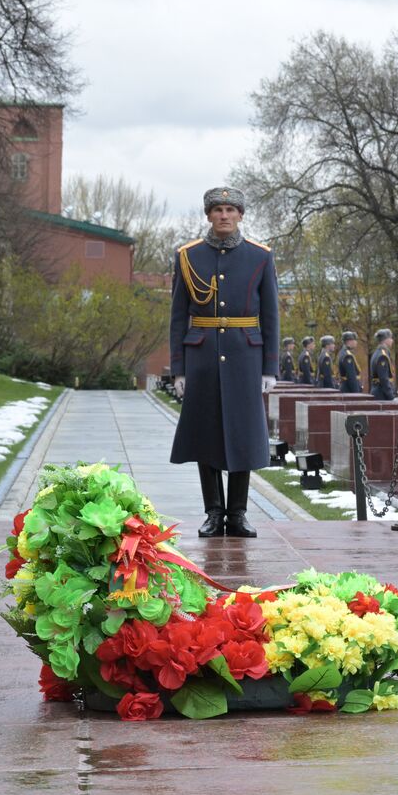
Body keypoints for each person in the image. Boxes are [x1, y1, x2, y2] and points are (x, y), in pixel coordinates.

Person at [168, 185, 279, 539]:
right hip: (201, 358)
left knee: (244, 435)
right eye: (218, 210)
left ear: (241, 215)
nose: (224, 216)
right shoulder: (188, 256)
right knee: (207, 435)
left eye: (231, 210)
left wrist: (269, 368)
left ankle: (239, 513)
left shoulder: (260, 256)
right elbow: (177, 317)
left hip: (246, 356)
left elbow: (271, 315)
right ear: (209, 215)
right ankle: (214, 512)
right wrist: (179, 369)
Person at [369, 328, 395, 400]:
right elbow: (384, 379)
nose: (392, 340)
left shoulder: (377, 352)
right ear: (385, 340)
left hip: (379, 391)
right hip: (381, 394)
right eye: (390, 338)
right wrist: (391, 396)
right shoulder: (382, 355)